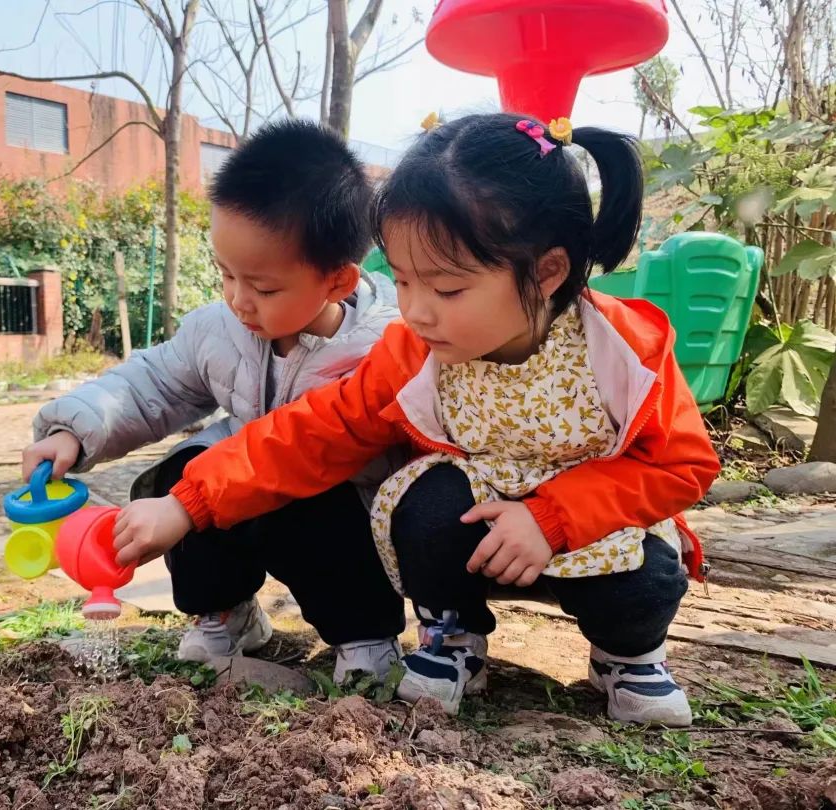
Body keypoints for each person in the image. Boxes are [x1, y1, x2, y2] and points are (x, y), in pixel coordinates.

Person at [111, 113, 721, 726]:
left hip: (595, 523)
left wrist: (553, 517)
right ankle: (453, 636)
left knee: (644, 573)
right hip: (475, 526)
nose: (418, 312)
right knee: (425, 505)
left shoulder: (623, 350)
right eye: (401, 281)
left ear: (546, 271)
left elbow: (683, 463)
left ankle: (627, 653)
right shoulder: (414, 356)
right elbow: (313, 431)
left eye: (447, 290)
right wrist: (188, 502)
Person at [23, 119, 407, 684]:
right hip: (234, 485)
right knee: (182, 472)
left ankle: (365, 637)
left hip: (341, 502)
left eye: (264, 287)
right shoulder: (218, 330)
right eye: (225, 273)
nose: (238, 299)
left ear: (338, 282)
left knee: (319, 508)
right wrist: (73, 431)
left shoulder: (383, 347)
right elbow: (151, 383)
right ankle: (226, 611)